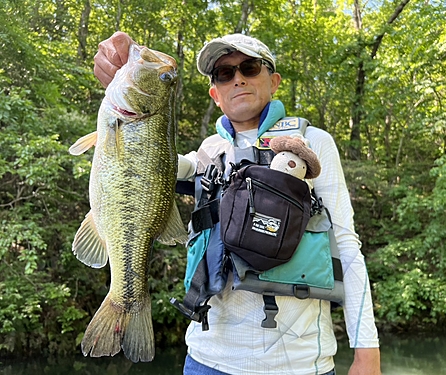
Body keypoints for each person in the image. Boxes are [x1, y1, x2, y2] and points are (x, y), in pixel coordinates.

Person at [94, 31, 381, 375]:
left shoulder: (313, 142)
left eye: (249, 67)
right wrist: (121, 71)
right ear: (216, 94)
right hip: (207, 358)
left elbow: (347, 247)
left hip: (301, 364)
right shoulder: (206, 152)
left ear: (273, 81)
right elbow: (146, 163)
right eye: (224, 74)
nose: (238, 79)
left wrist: (366, 351)